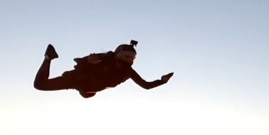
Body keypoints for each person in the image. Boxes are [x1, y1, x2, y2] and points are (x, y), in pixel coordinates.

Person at [33, 40, 173, 98]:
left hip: (83, 82)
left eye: (131, 58)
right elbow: (80, 62)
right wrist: (88, 61)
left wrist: (163, 81)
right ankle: (48, 57)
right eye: (126, 57)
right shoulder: (105, 57)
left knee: (40, 85)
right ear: (118, 54)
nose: (128, 61)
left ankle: (48, 58)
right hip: (80, 80)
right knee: (39, 85)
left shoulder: (127, 70)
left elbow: (146, 85)